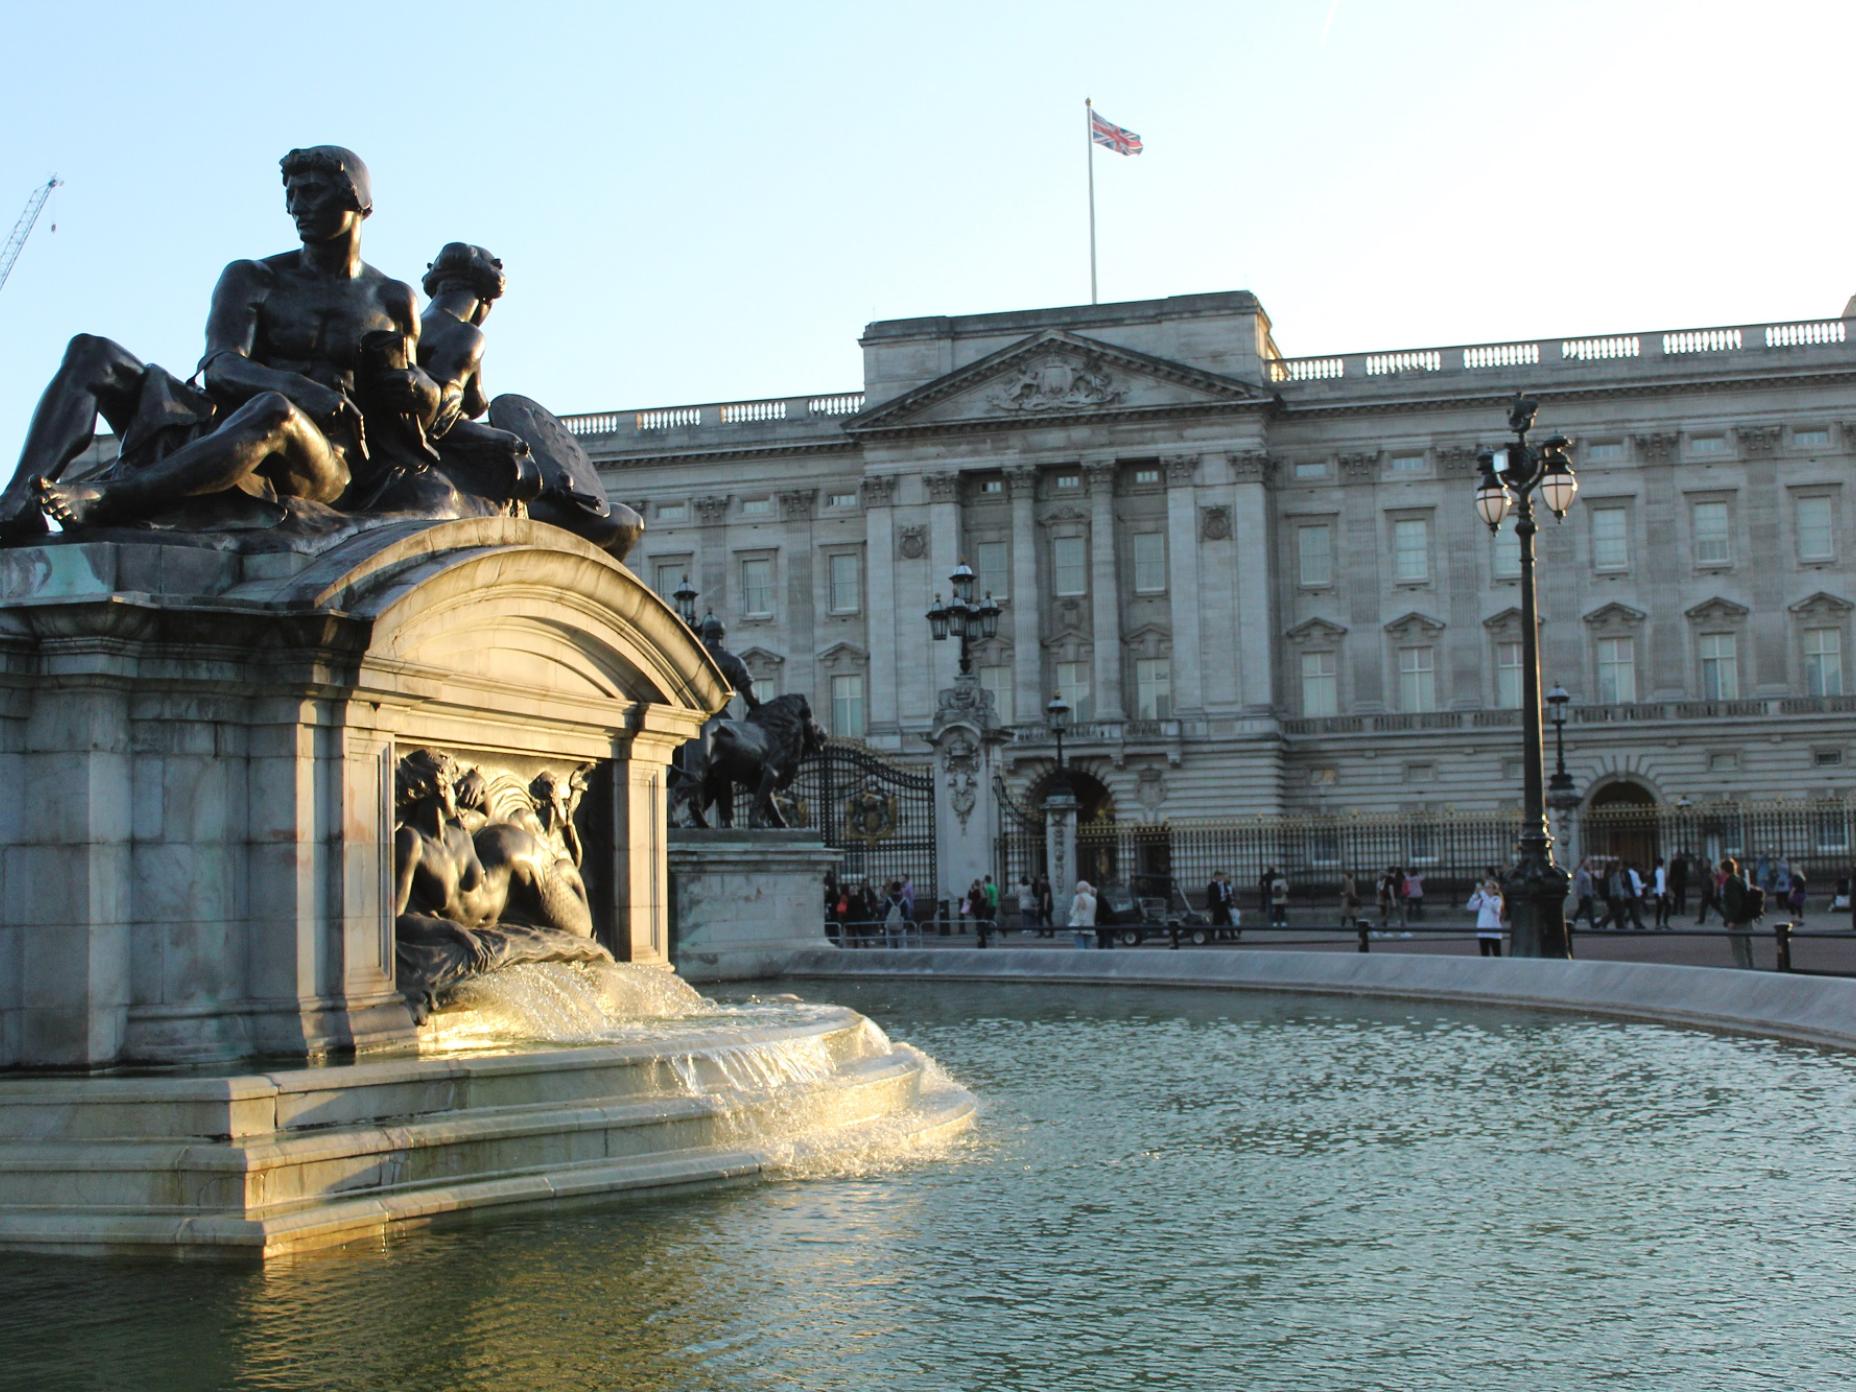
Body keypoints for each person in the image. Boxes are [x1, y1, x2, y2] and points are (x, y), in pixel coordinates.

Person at [24, 148, 438, 534]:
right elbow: (220, 365)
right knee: (91, 352)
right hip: (226, 421)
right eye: (290, 195)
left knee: (276, 412)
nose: (296, 207)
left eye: (311, 192)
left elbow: (409, 398)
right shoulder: (254, 277)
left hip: (327, 462)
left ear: (356, 197)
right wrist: (302, 389)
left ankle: (113, 498)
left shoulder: (393, 298)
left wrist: (426, 391)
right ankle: (17, 505)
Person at [1721, 856, 1756, 969]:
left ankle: (1744, 971)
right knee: (1747, 948)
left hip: (1738, 921)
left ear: (1725, 870)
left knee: (1739, 950)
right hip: (1746, 919)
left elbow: (1735, 904)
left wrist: (1732, 920)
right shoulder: (1739, 879)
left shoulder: (1730, 882)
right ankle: (1751, 969)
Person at [1469, 877, 1505, 957]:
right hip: (1483, 932)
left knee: (1497, 955)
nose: (1486, 889)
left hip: (1494, 932)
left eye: (1488, 887)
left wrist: (1482, 892)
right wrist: (1475, 894)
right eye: (1485, 887)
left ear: (1494, 890)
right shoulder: (1482, 900)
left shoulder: (1497, 900)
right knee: (1484, 955)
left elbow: (1492, 906)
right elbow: (1470, 906)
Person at [1069, 879, 1097, 949]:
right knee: (1088, 947)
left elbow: (1072, 913)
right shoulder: (1093, 899)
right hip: (1090, 926)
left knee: (1080, 948)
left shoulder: (1077, 897)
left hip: (1079, 926)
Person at [1571, 858, 1597, 930]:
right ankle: (1593, 924)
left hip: (1588, 894)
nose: (1589, 864)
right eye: (1587, 862)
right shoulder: (1581, 872)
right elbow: (1579, 885)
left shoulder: (1587, 871)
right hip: (1585, 895)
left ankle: (1573, 922)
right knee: (1589, 909)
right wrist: (1580, 895)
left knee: (1581, 910)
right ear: (1583, 863)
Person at [1652, 856, 1670, 930]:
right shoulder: (1660, 871)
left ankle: (1658, 923)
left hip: (1658, 892)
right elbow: (1660, 883)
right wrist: (1661, 895)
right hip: (1661, 892)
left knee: (1660, 908)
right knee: (1667, 907)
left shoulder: (1657, 870)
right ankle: (1664, 923)